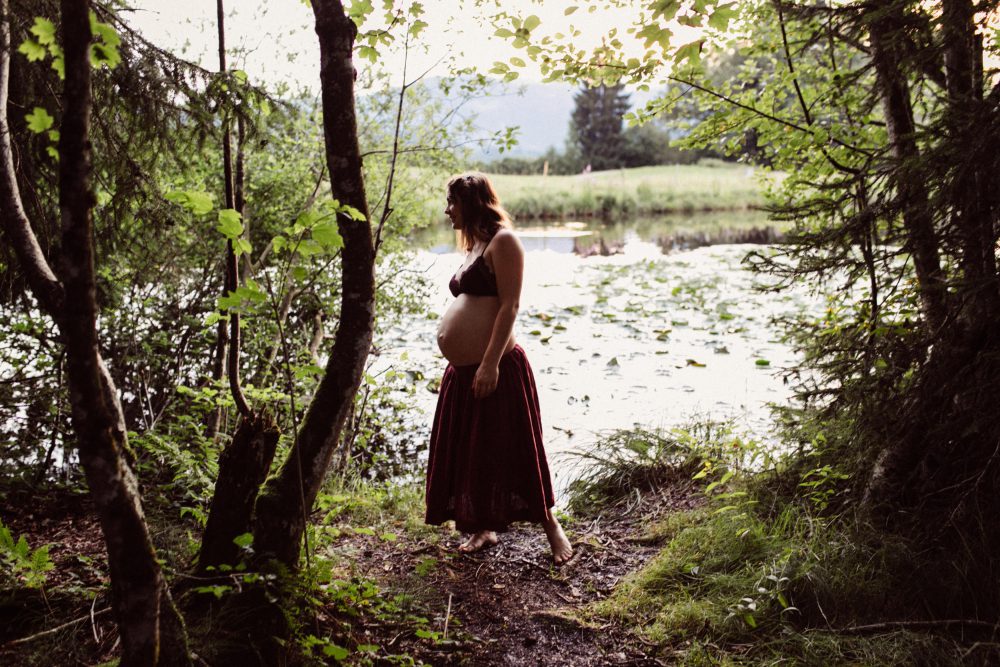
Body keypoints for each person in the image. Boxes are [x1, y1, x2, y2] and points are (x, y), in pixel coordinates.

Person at [425, 172, 574, 565]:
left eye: (452, 202)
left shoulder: (504, 241)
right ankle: (483, 528)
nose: (447, 210)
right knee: (474, 448)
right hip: (464, 371)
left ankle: (551, 528)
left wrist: (489, 364)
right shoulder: (474, 245)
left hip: (497, 367)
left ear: (471, 202)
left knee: (517, 447)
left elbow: (509, 306)